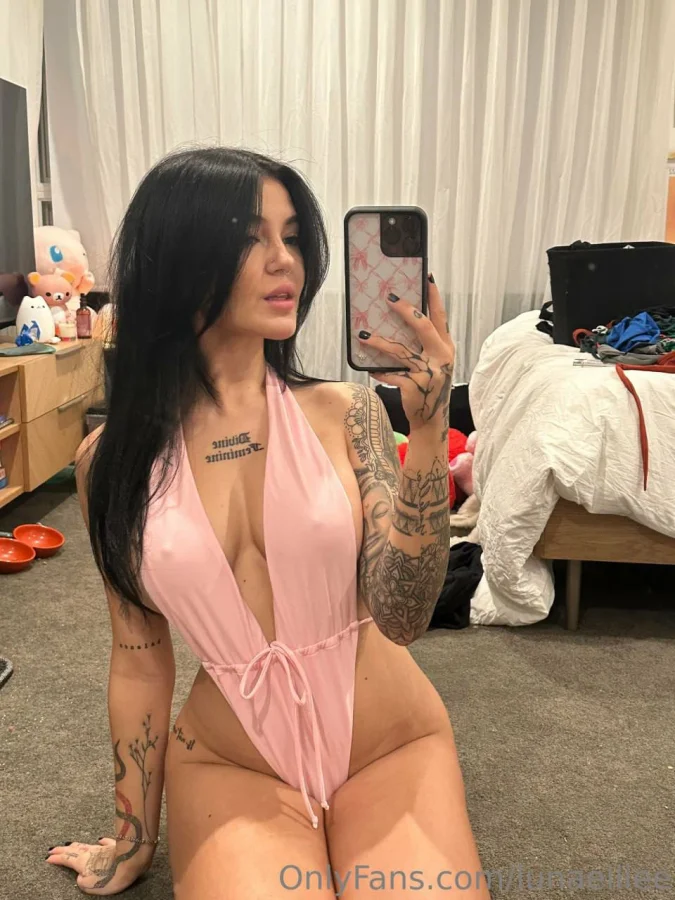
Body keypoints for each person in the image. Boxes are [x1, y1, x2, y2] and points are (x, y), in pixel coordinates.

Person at [46, 148, 490, 899]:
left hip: (388, 744)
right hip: (232, 763)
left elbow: (405, 615)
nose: (286, 260)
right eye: (250, 237)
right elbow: (138, 658)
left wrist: (424, 433)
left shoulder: (346, 413)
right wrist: (132, 838)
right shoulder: (109, 465)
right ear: (177, 258)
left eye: (292, 237)